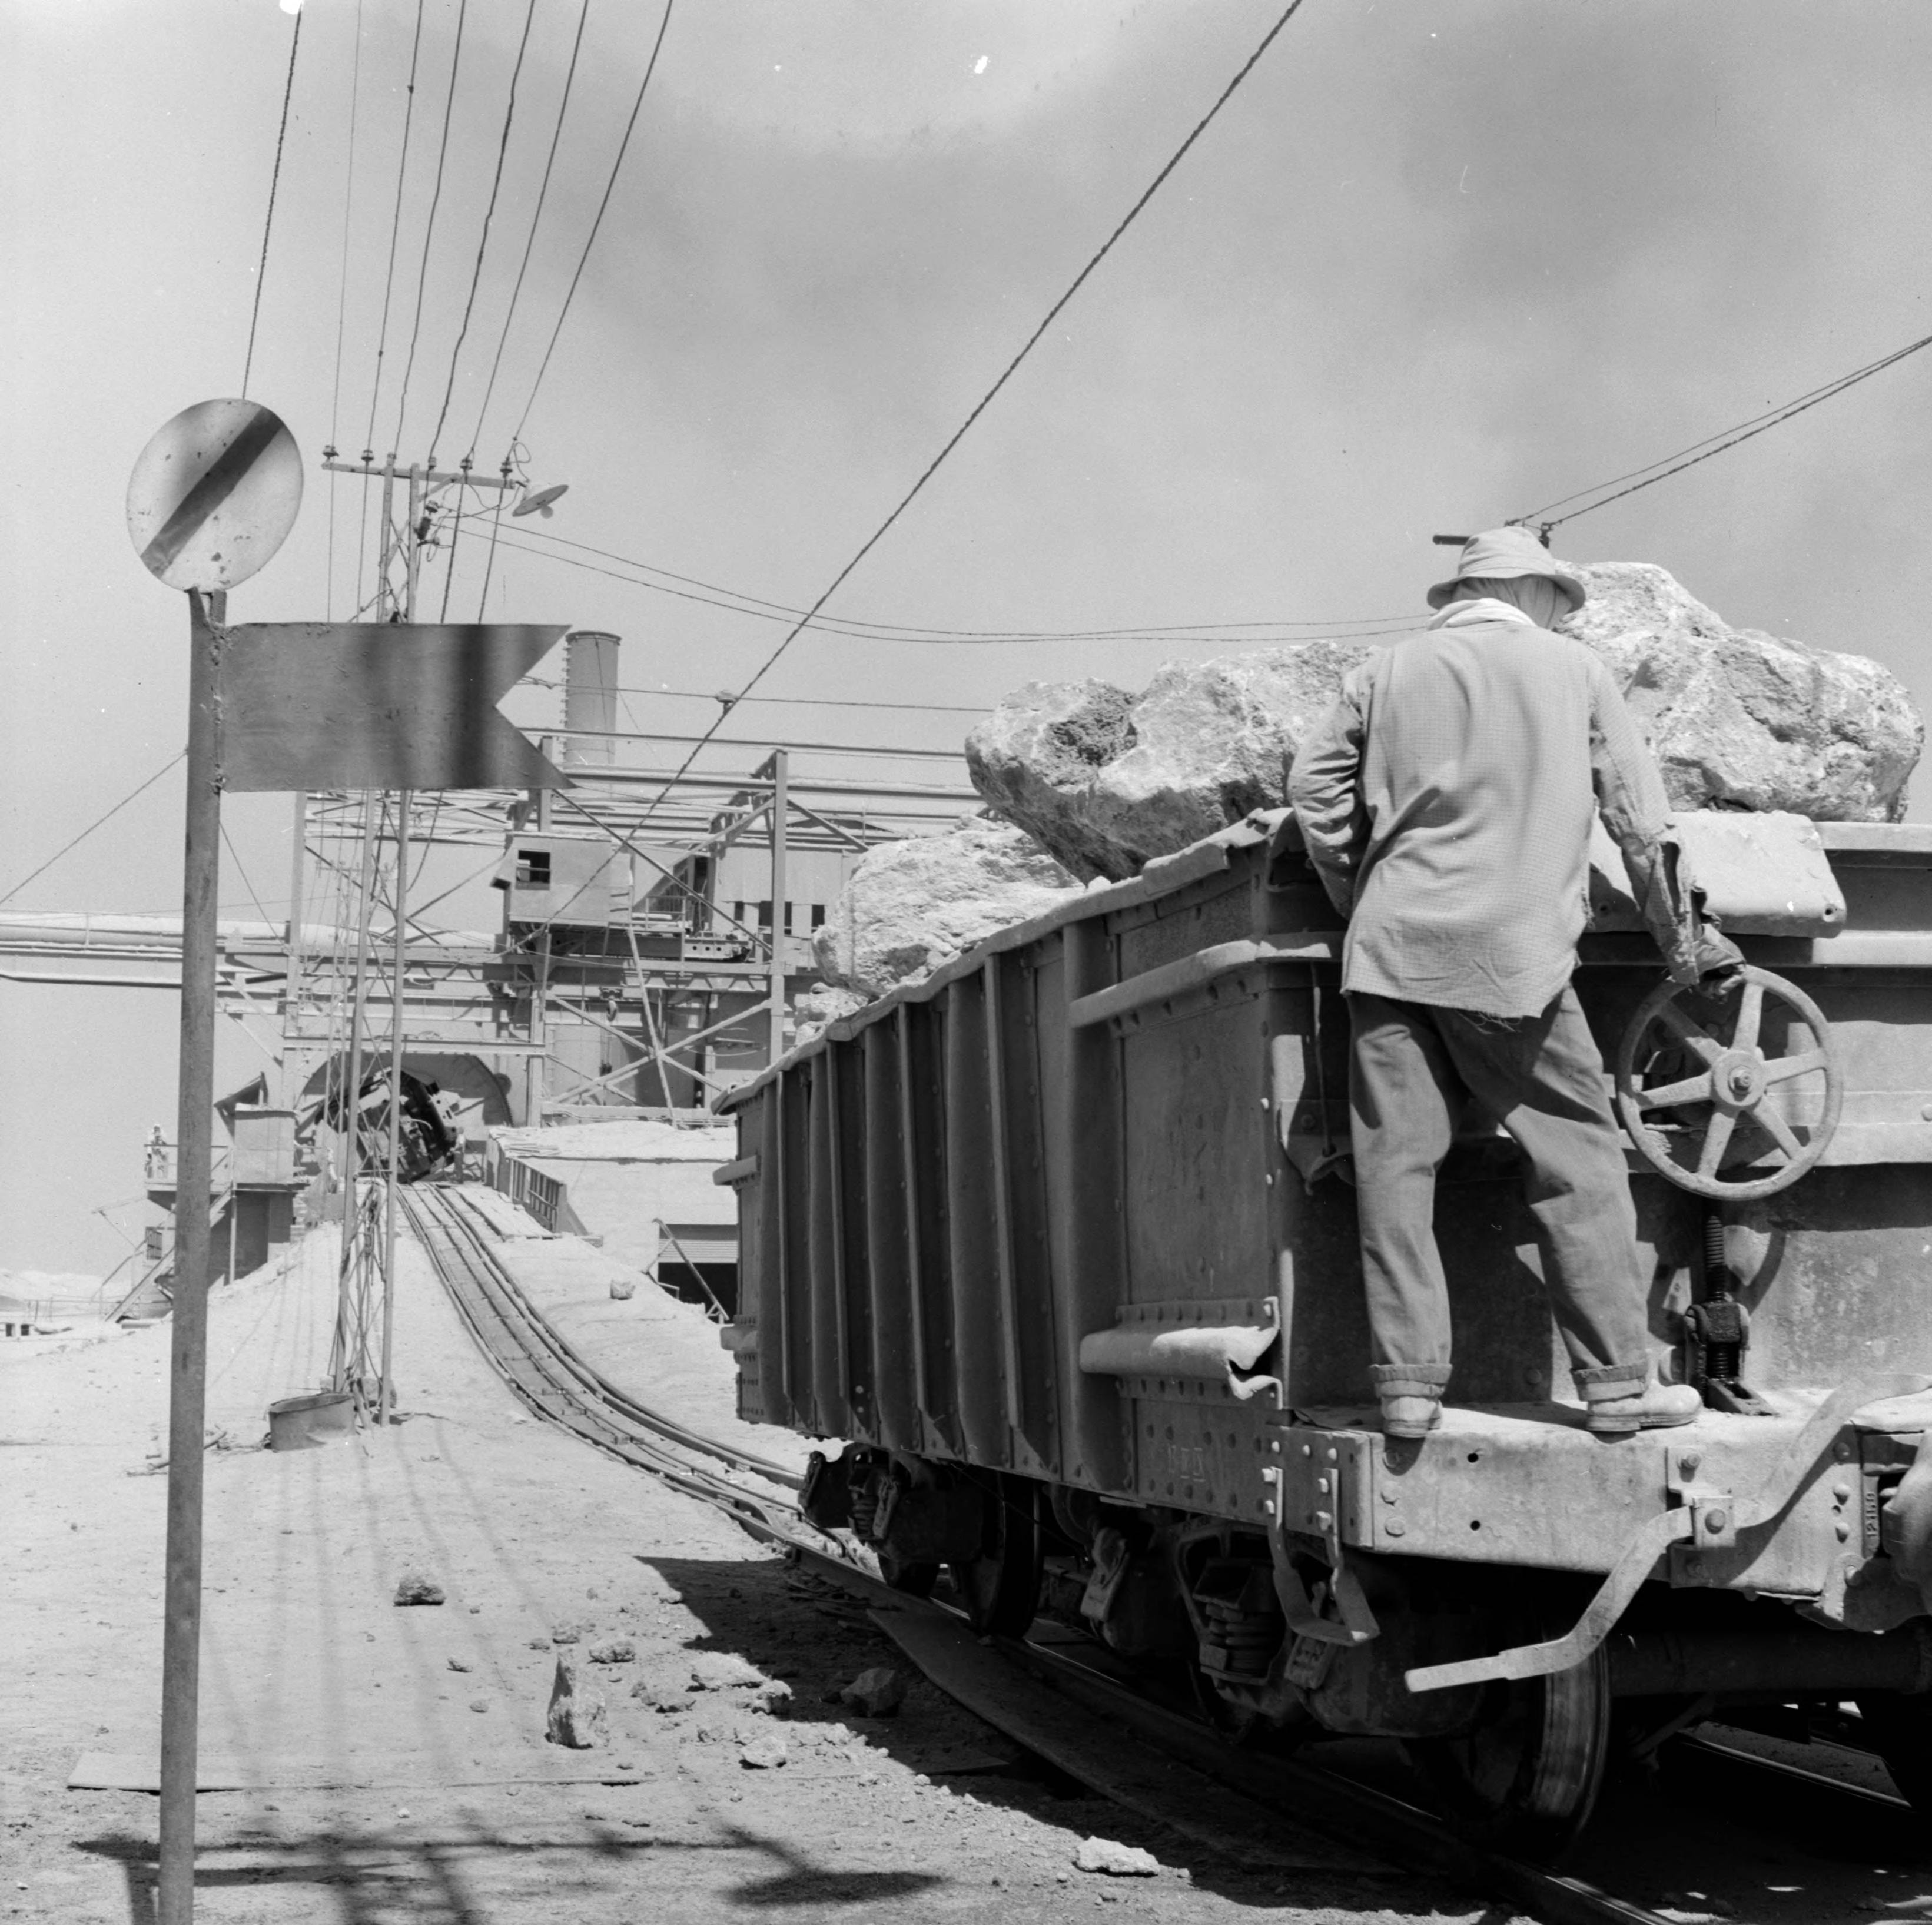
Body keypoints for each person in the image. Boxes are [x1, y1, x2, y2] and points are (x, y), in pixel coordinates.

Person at [1288, 526, 1741, 1439]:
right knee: (1575, 1159)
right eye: (1560, 600)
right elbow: (1639, 823)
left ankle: (1408, 1389)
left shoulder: (1384, 673)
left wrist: (1360, 892)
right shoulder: (1572, 673)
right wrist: (1686, 945)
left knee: (1395, 1170)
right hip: (1514, 958)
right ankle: (1616, 1384)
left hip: (1390, 953)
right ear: (1534, 592)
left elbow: (1313, 789)